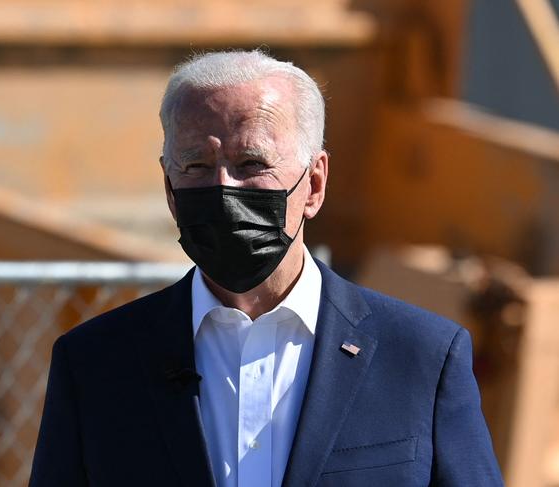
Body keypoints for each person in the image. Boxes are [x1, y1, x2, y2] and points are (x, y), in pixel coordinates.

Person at [29, 50, 503, 487]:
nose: (223, 188)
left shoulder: (421, 358)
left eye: (251, 162)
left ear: (313, 184)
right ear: (169, 189)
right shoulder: (95, 365)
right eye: (196, 165)